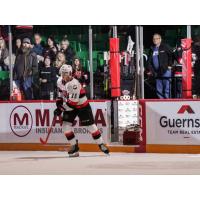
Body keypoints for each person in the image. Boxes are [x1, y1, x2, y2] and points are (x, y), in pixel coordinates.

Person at [54, 64, 109, 157]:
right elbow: (61, 92)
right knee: (65, 126)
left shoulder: (74, 84)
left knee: (91, 127)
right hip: (70, 106)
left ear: (70, 73)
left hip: (82, 106)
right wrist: (59, 101)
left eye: (66, 73)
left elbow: (72, 103)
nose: (64, 75)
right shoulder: (59, 81)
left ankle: (101, 144)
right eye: (62, 73)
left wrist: (60, 109)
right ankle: (74, 147)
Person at [146, 33, 173, 98]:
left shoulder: (165, 46)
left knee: (167, 88)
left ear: (160, 39)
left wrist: (170, 65)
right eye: (154, 39)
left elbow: (171, 55)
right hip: (156, 72)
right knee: (159, 89)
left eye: (156, 38)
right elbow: (149, 61)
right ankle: (161, 102)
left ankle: (168, 102)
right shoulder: (152, 49)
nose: (155, 40)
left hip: (166, 71)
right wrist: (150, 70)